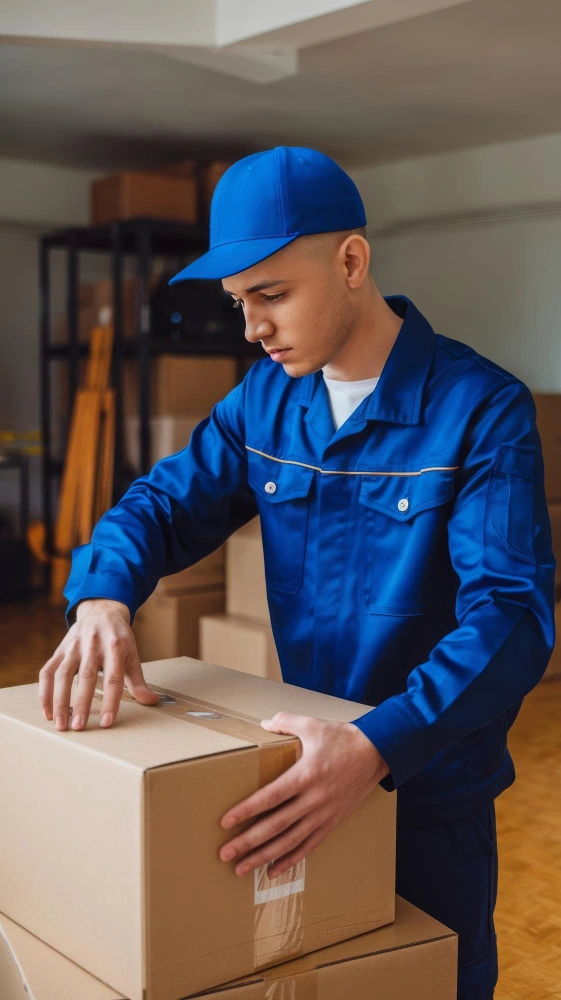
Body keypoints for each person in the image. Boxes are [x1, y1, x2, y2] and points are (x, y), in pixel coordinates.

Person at [39, 146, 555, 1000]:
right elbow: (164, 503)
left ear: (351, 261)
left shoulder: (480, 411)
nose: (250, 328)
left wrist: (376, 744)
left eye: (271, 295)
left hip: (427, 795)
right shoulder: (264, 402)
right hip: (301, 772)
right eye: (239, 303)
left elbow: (510, 618)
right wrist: (102, 593)